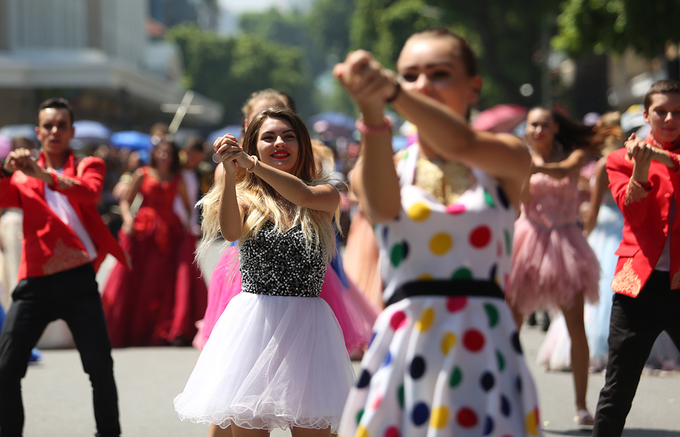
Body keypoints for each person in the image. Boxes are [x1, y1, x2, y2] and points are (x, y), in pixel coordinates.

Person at [334, 28, 542, 436]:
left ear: (473, 87)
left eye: (439, 74)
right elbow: (380, 209)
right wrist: (374, 115)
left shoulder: (506, 157)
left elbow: (461, 142)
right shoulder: (382, 165)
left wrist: (394, 93)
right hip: (407, 349)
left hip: (485, 349)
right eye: (410, 75)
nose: (421, 85)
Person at [174, 107, 355, 436]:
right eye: (268, 137)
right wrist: (230, 173)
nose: (279, 143)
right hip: (254, 328)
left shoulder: (325, 193)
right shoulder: (245, 198)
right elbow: (229, 232)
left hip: (309, 330)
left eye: (288, 136)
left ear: (302, 145)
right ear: (254, 145)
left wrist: (251, 164)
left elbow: (301, 194)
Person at [0, 97, 127, 437]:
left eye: (61, 125)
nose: (54, 131)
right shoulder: (20, 178)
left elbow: (88, 194)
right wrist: (5, 168)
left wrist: (41, 173)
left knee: (101, 368)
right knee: (6, 368)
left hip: (78, 282)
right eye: (48, 126)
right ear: (38, 132)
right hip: (35, 283)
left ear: (71, 131)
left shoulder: (89, 165)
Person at [592, 79, 680, 436]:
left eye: (678, 112)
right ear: (646, 115)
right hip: (637, 284)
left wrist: (658, 156)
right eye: (661, 111)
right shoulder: (620, 159)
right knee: (619, 385)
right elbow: (635, 217)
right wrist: (641, 169)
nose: (670, 118)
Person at [506, 106, 600, 429]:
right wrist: (522, 171)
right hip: (528, 240)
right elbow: (521, 200)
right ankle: (506, 399)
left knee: (576, 325)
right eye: (533, 125)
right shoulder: (519, 157)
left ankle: (581, 405)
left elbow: (564, 172)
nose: (538, 130)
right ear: (527, 129)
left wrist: (532, 167)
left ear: (555, 128)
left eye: (545, 125)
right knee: (510, 325)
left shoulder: (572, 156)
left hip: (566, 243)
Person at [102, 139, 192, 347]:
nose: (164, 156)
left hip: (170, 232)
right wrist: (127, 220)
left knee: (162, 281)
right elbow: (125, 200)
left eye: (168, 152)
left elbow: (188, 207)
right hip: (143, 231)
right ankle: (130, 326)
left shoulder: (177, 178)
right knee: (136, 276)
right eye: (161, 152)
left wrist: (188, 227)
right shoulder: (142, 173)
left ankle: (160, 327)